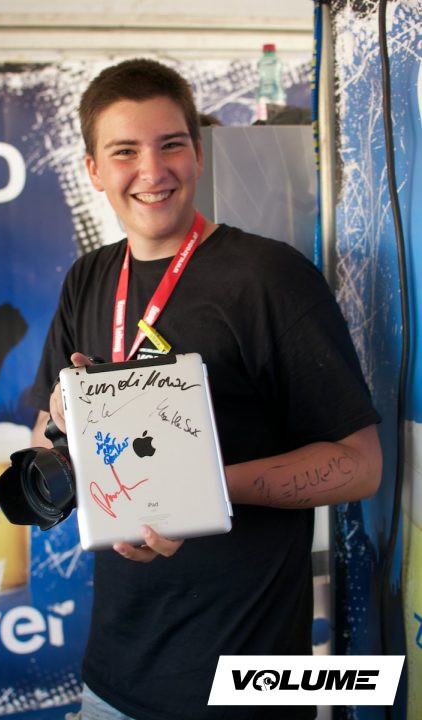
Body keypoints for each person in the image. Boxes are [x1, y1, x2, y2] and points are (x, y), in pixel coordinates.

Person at [30, 58, 382, 720]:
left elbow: (360, 466)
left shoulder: (270, 278)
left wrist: (198, 490)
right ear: (94, 170)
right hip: (112, 679)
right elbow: (44, 440)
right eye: (125, 151)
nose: (152, 171)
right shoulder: (88, 278)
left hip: (247, 688)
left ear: (197, 152)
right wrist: (62, 431)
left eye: (171, 145)